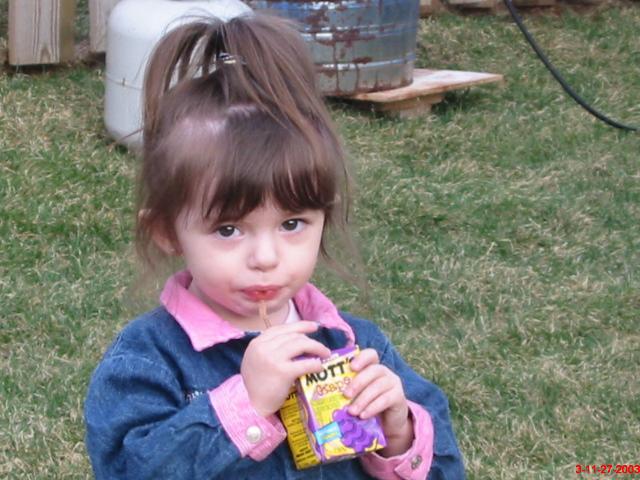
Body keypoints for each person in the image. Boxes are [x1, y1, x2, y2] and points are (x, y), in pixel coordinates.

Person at [84, 12, 465, 480]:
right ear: (166, 231)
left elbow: (446, 468)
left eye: (292, 224)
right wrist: (243, 406)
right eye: (229, 230)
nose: (265, 258)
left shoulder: (356, 344)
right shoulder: (148, 360)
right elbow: (127, 470)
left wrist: (400, 434)